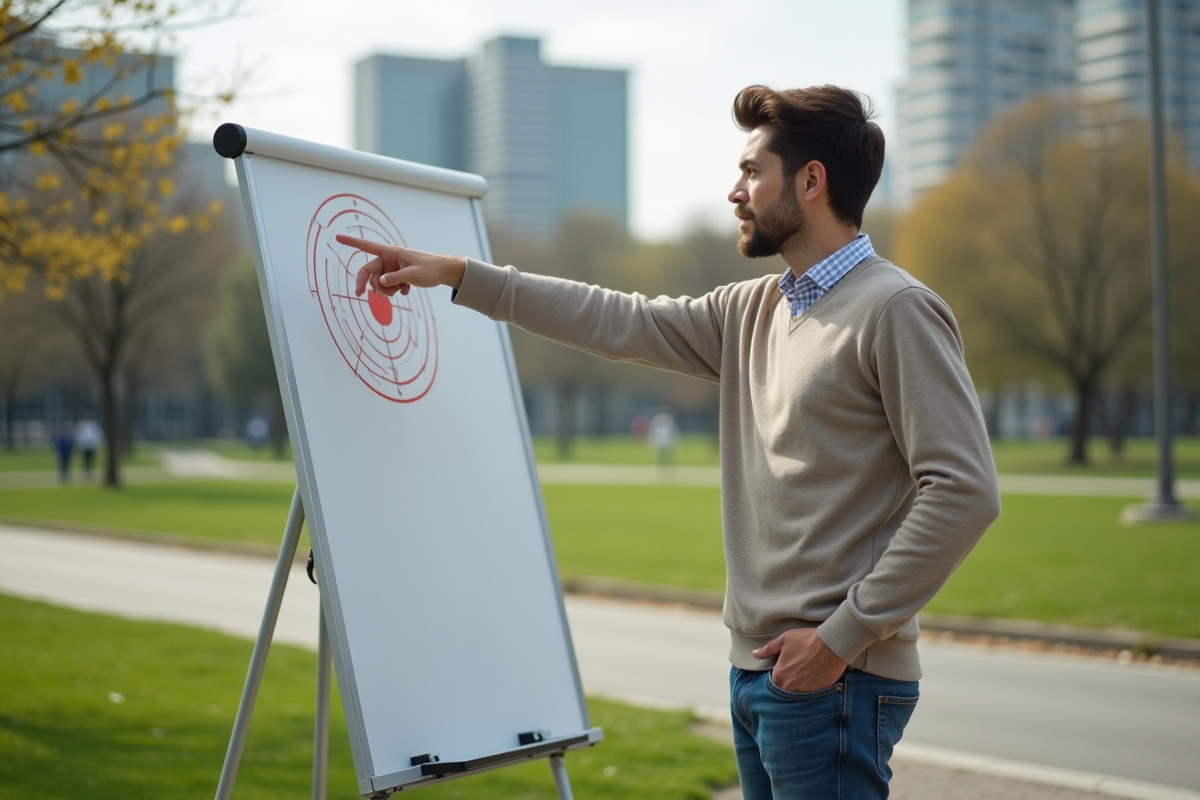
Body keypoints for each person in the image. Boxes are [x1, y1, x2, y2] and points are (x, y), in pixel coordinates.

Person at [337, 85, 1001, 799]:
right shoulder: (752, 309)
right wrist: (464, 275)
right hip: (762, 673)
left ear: (811, 182)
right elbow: (615, 318)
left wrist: (841, 638)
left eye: (752, 172)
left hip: (835, 681)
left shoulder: (896, 310)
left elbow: (964, 491)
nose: (734, 192)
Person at [74, 414, 103, 481]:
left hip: (91, 445)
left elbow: (98, 434)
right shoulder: (81, 425)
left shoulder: (94, 425)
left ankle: (90, 473)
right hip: (84, 446)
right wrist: (80, 444)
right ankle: (85, 473)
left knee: (91, 460)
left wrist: (96, 442)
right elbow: (78, 435)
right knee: (85, 461)